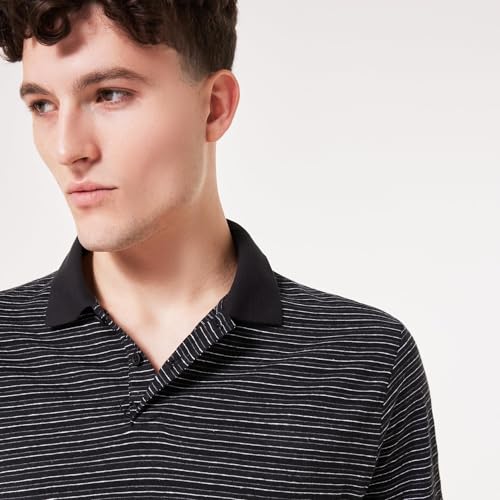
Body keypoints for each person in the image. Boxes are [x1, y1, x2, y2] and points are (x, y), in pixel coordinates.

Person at [0, 1, 443, 498]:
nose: (67, 149)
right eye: (42, 105)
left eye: (110, 95)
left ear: (214, 106)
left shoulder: (366, 360)